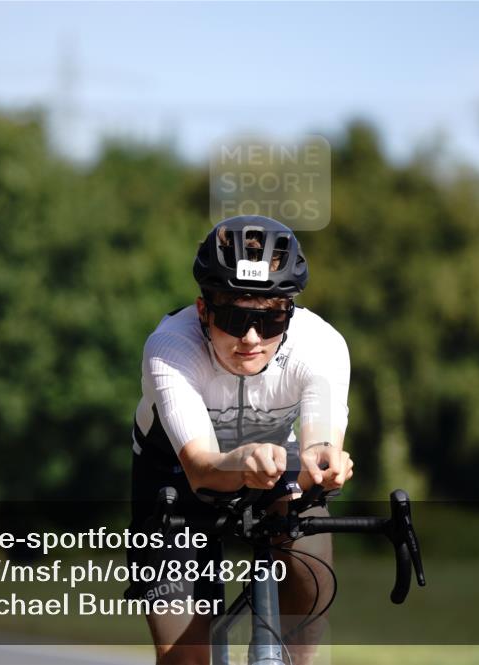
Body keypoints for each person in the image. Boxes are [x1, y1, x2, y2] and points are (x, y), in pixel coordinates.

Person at [126, 215, 352, 665]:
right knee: (185, 658)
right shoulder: (171, 347)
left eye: (269, 322)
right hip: (176, 474)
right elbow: (202, 468)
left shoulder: (321, 345)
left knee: (298, 650)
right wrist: (242, 459)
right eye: (233, 317)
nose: (250, 338)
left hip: (273, 466)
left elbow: (318, 445)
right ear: (203, 310)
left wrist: (323, 463)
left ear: (289, 314)